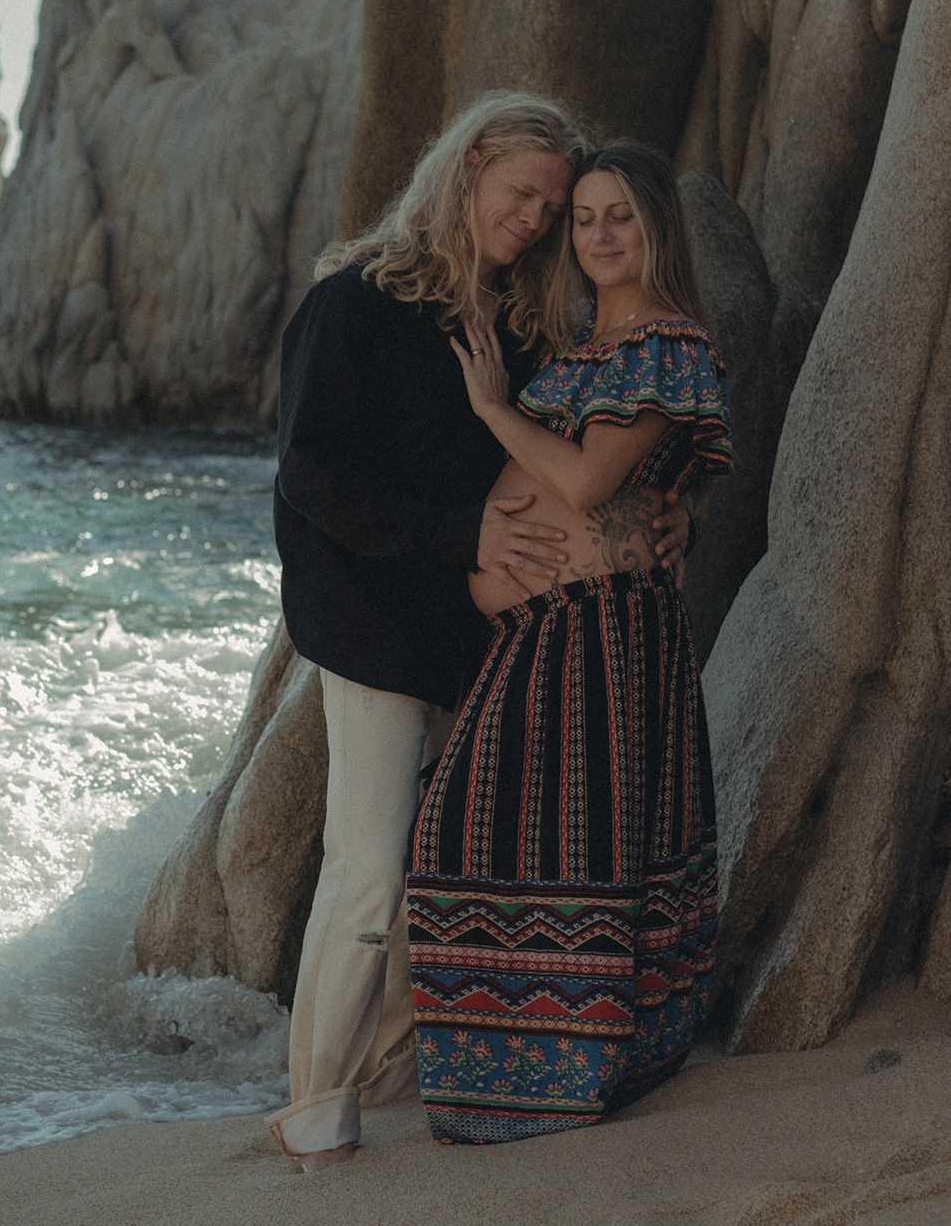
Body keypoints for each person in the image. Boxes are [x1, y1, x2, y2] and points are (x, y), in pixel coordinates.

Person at [268, 94, 691, 1170]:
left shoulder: (519, 323)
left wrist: (658, 503)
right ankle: (314, 1106)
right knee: (365, 867)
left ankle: (396, 1075)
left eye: (551, 205)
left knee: (447, 867)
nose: (536, 217)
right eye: (522, 194)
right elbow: (310, 472)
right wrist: (460, 536)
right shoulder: (352, 303)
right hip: (370, 625)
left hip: (487, 636)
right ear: (462, 176)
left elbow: (579, 451)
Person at [405, 138, 732, 1144]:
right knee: (473, 836)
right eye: (583, 216)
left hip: (598, 640)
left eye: (617, 215)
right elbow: (647, 491)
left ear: (652, 230)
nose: (596, 234)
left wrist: (491, 407)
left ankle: (570, 1079)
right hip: (540, 632)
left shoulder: (664, 345)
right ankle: (492, 1082)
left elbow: (588, 484)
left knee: (568, 846)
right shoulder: (578, 351)